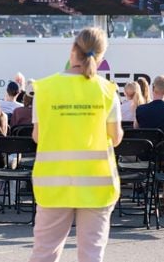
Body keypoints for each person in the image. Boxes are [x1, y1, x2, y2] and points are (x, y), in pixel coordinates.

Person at [29, 27, 122, 262]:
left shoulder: (45, 89)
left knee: (44, 254)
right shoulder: (107, 90)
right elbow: (116, 137)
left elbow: (38, 136)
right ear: (101, 58)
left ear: (72, 50)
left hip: (54, 183)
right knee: (91, 255)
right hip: (97, 184)